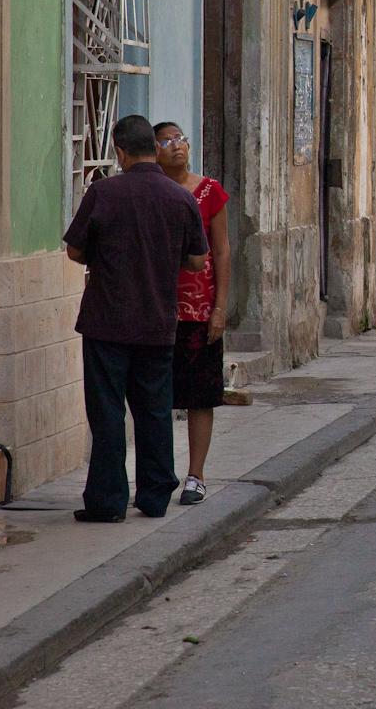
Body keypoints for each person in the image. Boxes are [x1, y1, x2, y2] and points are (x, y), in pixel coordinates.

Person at [63, 115, 208, 523]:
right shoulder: (180, 198)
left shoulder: (103, 192)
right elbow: (197, 260)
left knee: (108, 412)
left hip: (107, 321)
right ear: (155, 148)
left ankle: (108, 501)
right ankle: (156, 493)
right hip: (157, 321)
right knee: (155, 410)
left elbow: (75, 251)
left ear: (120, 152)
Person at [153, 122, 231, 507]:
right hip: (158, 311)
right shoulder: (154, 193)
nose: (176, 146)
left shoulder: (209, 192)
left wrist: (219, 308)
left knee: (200, 396)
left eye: (181, 138)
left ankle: (196, 475)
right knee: (158, 396)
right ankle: (159, 474)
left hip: (200, 313)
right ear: (153, 151)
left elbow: (222, 252)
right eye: (166, 141)